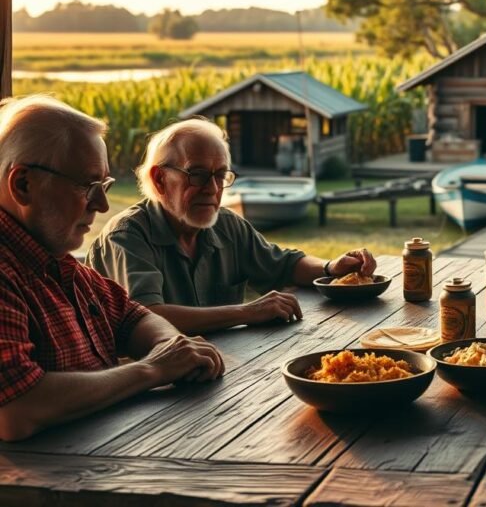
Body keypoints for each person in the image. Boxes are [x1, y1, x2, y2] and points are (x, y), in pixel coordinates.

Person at [0, 95, 224, 442]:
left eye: (103, 186)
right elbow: (16, 408)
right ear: (23, 184)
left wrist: (172, 347)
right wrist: (152, 369)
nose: (102, 204)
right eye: (88, 186)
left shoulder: (58, 263)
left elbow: (135, 317)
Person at [87, 118, 377, 335]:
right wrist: (246, 312)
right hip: (150, 394)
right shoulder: (127, 236)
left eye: (221, 175)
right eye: (197, 174)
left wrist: (330, 268)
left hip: (222, 370)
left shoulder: (226, 225)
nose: (212, 189)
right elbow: (148, 317)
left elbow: (283, 264)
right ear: (160, 179)